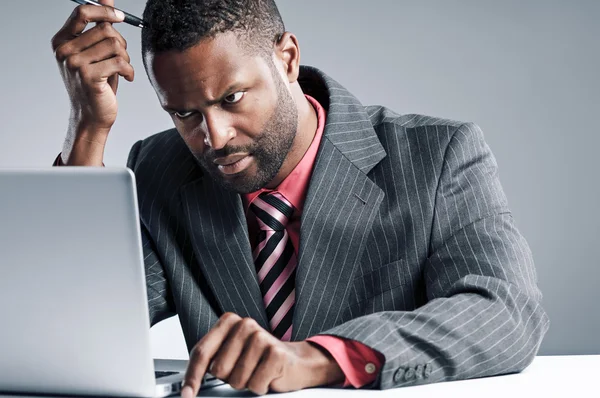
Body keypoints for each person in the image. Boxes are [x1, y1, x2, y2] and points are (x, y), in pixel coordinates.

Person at [50, 0, 549, 395]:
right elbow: (73, 321)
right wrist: (87, 132)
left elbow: (506, 314)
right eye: (183, 114)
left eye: (231, 99)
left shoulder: (437, 156)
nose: (215, 137)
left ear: (287, 58)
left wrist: (314, 359)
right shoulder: (160, 171)